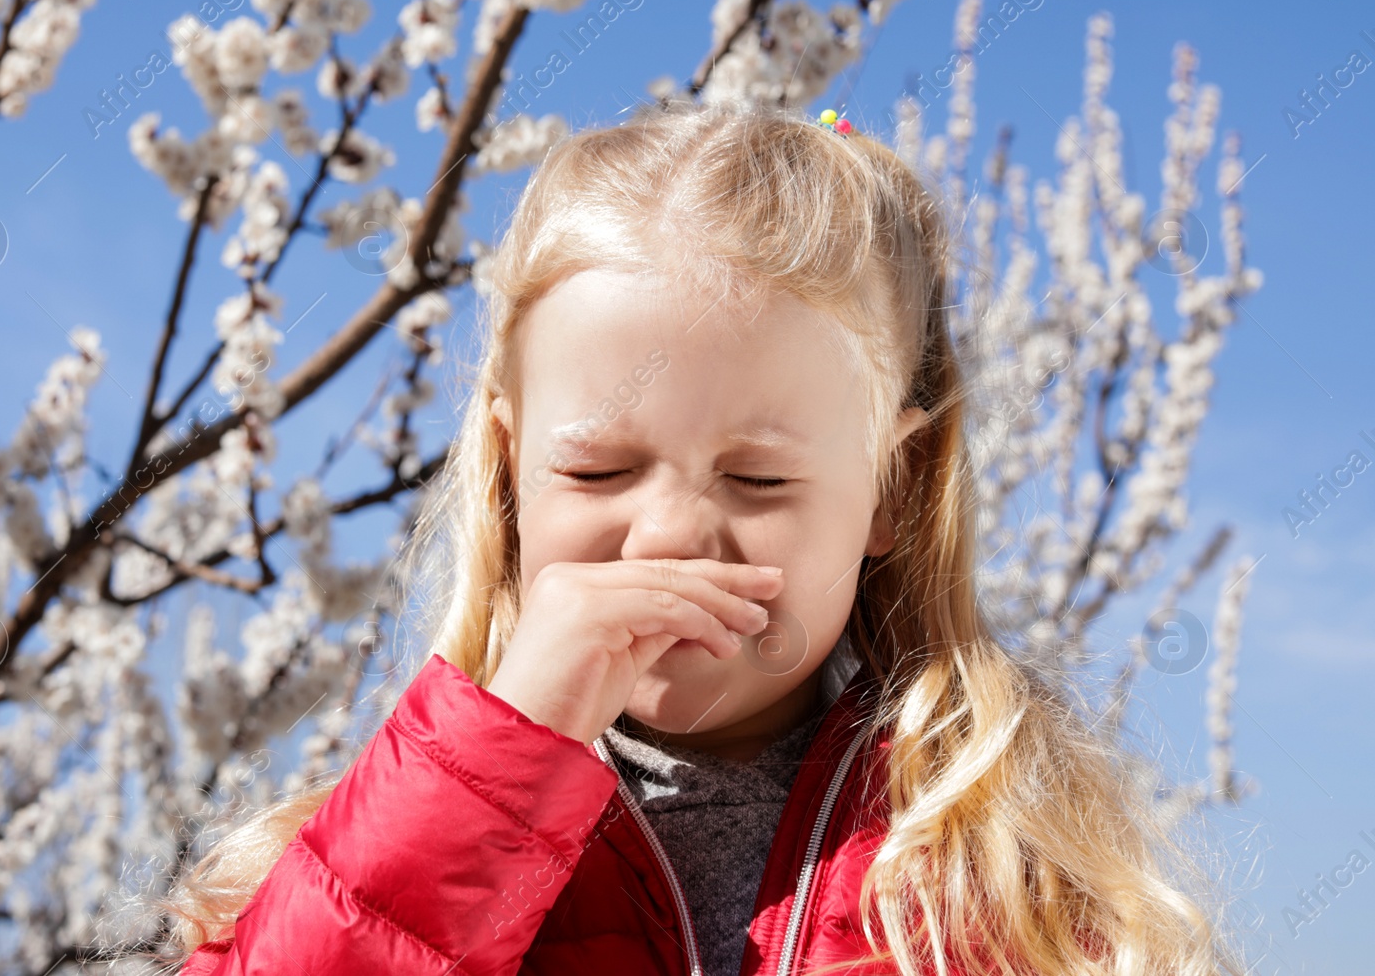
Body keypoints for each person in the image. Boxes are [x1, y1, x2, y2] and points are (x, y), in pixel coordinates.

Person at [157, 97, 1244, 975]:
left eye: (758, 476)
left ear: (890, 489)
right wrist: (488, 770)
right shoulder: (372, 844)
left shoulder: (998, 879)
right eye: (598, 469)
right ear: (507, 470)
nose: (672, 532)